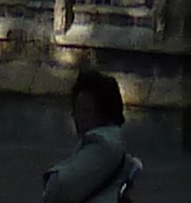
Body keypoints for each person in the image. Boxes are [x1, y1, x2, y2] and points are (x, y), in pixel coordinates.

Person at [42, 69, 142, 203]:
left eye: (85, 110)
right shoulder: (112, 143)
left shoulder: (102, 145)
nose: (76, 117)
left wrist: (53, 176)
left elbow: (58, 189)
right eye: (76, 109)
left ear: (103, 113)